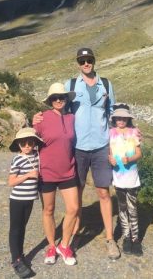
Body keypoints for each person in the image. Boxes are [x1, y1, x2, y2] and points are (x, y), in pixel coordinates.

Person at [33, 48, 120, 260]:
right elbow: (60, 110)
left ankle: (110, 239)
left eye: (89, 60)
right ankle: (74, 235)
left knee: (104, 193)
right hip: (78, 148)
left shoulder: (106, 85)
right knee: (77, 195)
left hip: (100, 146)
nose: (86, 63)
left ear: (94, 61)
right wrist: (38, 119)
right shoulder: (71, 85)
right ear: (78, 63)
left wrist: (126, 137)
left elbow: (113, 115)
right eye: (82, 60)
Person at [33, 83, 79, 266]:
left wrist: (128, 132)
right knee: (48, 210)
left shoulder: (72, 118)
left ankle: (64, 245)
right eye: (54, 98)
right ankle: (52, 246)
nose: (58, 100)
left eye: (61, 97)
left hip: (68, 170)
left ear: (66, 99)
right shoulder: (41, 118)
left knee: (74, 208)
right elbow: (29, 140)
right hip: (47, 173)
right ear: (50, 101)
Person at [8, 127, 44, 278]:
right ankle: (16, 260)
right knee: (15, 229)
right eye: (23, 143)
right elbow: (11, 181)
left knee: (22, 228)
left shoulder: (37, 155)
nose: (27, 145)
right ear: (18, 145)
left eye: (30, 142)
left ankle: (20, 255)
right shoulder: (17, 159)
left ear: (35, 143)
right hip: (17, 200)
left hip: (29, 199)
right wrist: (29, 175)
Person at [108, 105, 143, 256]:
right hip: (118, 178)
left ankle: (136, 239)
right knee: (122, 208)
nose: (121, 120)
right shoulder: (110, 133)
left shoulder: (134, 132)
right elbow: (108, 152)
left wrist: (129, 159)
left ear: (128, 119)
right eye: (118, 118)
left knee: (132, 208)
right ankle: (127, 238)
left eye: (123, 118)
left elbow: (139, 153)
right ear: (114, 119)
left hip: (132, 177)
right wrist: (110, 159)